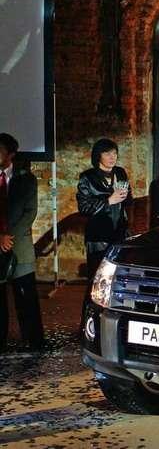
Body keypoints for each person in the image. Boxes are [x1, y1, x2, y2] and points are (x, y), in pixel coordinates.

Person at [0, 133, 44, 352]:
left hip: (19, 245)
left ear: (11, 154)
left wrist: (8, 236)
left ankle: (34, 340)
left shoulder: (26, 179)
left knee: (26, 295)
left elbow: (30, 212)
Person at [76, 139, 132, 291]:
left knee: (120, 277)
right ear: (98, 156)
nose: (112, 157)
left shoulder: (120, 172)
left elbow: (128, 200)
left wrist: (126, 196)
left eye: (114, 153)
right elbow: (84, 207)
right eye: (107, 153)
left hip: (120, 232)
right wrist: (108, 201)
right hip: (98, 236)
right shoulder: (87, 177)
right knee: (98, 278)